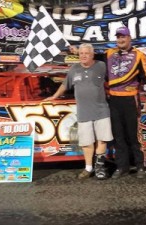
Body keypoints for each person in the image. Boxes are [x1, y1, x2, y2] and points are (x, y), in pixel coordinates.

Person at [45, 43, 113, 180]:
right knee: (87, 142)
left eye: (87, 53)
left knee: (102, 140)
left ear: (92, 54)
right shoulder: (74, 69)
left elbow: (115, 77)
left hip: (102, 110)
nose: (83, 56)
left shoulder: (101, 65)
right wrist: (54, 96)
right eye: (81, 53)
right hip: (83, 112)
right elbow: (65, 84)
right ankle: (88, 168)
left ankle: (100, 167)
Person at [106, 27, 146, 179]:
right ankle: (122, 167)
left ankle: (141, 166)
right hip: (113, 99)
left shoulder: (139, 55)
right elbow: (90, 57)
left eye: (123, 37)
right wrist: (74, 51)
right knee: (118, 135)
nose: (120, 40)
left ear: (129, 38)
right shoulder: (109, 53)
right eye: (118, 37)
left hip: (130, 99)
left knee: (133, 135)